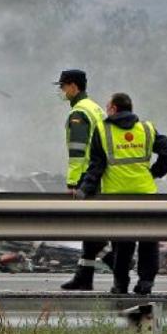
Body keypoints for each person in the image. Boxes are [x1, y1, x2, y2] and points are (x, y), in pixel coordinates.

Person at [76, 92, 167, 295]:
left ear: (113, 109)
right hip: (146, 192)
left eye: (107, 106)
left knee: (122, 243)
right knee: (149, 241)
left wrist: (85, 189)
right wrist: (156, 172)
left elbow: (96, 166)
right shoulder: (146, 128)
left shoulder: (103, 130)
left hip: (117, 195)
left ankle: (121, 284)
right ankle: (146, 282)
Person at [55, 69, 108, 291]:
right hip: (100, 174)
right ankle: (84, 276)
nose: (61, 91)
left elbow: (77, 151)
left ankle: (110, 259)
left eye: (63, 86)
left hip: (87, 176)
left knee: (88, 226)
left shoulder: (79, 113)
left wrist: (74, 183)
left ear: (73, 86)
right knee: (90, 227)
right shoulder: (95, 108)